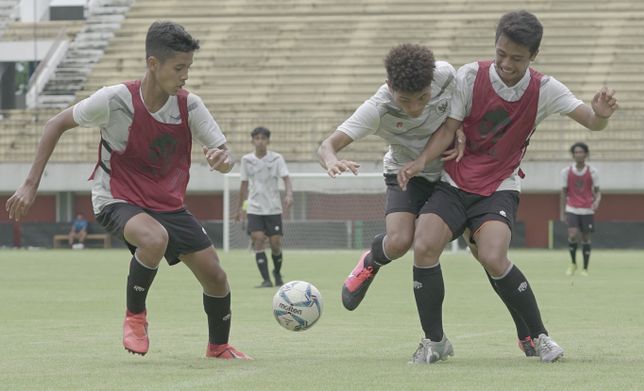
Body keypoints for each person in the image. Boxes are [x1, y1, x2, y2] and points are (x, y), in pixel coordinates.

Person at [5, 21, 251, 360]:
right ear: (154, 64)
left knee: (216, 276)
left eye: (188, 68)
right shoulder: (114, 99)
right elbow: (55, 124)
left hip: (167, 203)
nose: (185, 76)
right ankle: (135, 318)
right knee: (153, 238)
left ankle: (218, 347)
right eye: (179, 68)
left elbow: (224, 155)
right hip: (117, 197)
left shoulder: (190, 105)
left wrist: (222, 160)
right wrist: (31, 184)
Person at [398, 10, 618, 363]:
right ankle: (435, 342)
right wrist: (421, 161)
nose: (506, 63)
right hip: (454, 182)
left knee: (493, 256)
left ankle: (540, 337)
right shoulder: (470, 75)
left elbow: (591, 121)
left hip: (500, 185)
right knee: (423, 246)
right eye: (501, 53)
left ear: (533, 56)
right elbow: (447, 129)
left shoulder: (545, 89)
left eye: (516, 58)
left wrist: (601, 115)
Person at [317, 43, 458, 312]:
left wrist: (461, 130)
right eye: (405, 100)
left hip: (449, 172)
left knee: (480, 247)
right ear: (389, 86)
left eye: (422, 97)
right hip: (403, 172)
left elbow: (466, 105)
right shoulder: (377, 108)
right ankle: (371, 261)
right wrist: (333, 161)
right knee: (399, 242)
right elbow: (327, 145)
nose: (415, 108)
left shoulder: (447, 75)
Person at [234, 126, 293, 288]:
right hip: (254, 209)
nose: (260, 141)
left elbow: (286, 178)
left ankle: (277, 274)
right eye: (257, 138)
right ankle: (266, 279)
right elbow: (244, 185)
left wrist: (289, 194)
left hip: (273, 208)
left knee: (275, 243)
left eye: (263, 138)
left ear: (268, 141)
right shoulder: (246, 160)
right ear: (252, 141)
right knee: (258, 240)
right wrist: (239, 208)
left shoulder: (277, 159)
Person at [561, 142, 601, 276]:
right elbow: (563, 192)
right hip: (572, 208)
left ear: (586, 154)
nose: (578, 154)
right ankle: (573, 263)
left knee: (585, 237)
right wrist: (563, 212)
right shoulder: (566, 172)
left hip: (587, 209)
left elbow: (598, 191)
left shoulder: (593, 172)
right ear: (573, 155)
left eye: (581, 152)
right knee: (572, 235)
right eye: (576, 152)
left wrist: (597, 201)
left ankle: (585, 268)